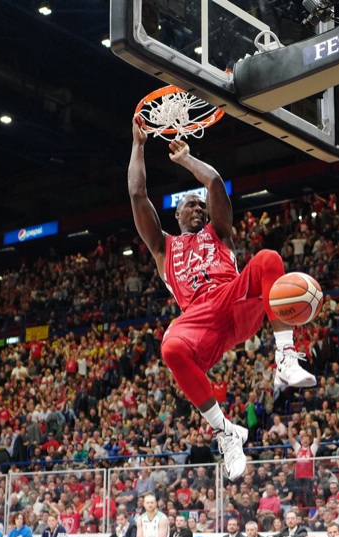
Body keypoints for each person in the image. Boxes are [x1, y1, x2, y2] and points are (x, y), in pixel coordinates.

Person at [128, 120, 314, 481]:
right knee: (169, 348)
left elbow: (214, 182)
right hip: (201, 323)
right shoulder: (162, 247)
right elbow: (137, 195)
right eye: (189, 206)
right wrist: (137, 144)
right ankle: (226, 431)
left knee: (268, 259)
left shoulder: (220, 232)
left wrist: (187, 160)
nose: (198, 209)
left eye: (201, 206)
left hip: (234, 299)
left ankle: (285, 356)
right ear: (176, 215)